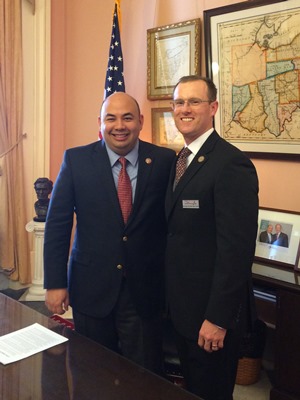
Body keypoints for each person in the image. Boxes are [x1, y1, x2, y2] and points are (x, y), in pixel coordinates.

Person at [43, 92, 176, 374]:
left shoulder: (165, 161)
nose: (119, 125)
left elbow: (172, 224)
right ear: (100, 124)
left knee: (143, 374)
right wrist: (55, 282)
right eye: (111, 118)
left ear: (140, 121)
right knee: (91, 371)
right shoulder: (76, 160)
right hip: (91, 287)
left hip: (144, 290)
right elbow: (57, 223)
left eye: (127, 117)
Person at [165, 75, 259, 400]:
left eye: (194, 101)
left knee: (213, 393)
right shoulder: (179, 159)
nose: (185, 109)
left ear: (213, 107)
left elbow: (237, 251)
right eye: (179, 102)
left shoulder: (231, 163)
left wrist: (218, 318)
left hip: (209, 317)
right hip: (182, 311)